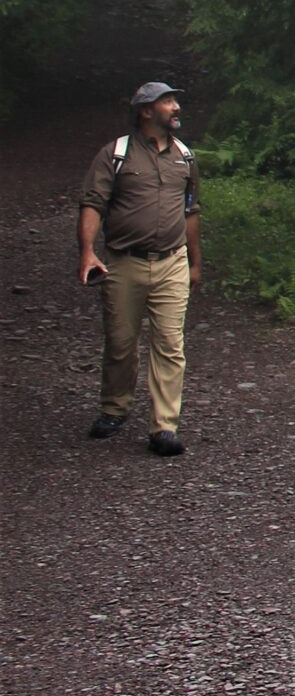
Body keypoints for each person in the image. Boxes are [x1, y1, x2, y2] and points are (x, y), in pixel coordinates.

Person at [77, 80, 202, 456]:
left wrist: (196, 262)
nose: (176, 107)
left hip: (172, 262)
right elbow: (93, 204)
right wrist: (87, 252)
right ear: (146, 111)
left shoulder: (185, 156)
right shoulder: (115, 154)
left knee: (170, 344)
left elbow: (191, 210)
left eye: (175, 100)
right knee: (120, 342)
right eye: (167, 101)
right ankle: (114, 408)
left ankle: (164, 426)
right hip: (124, 262)